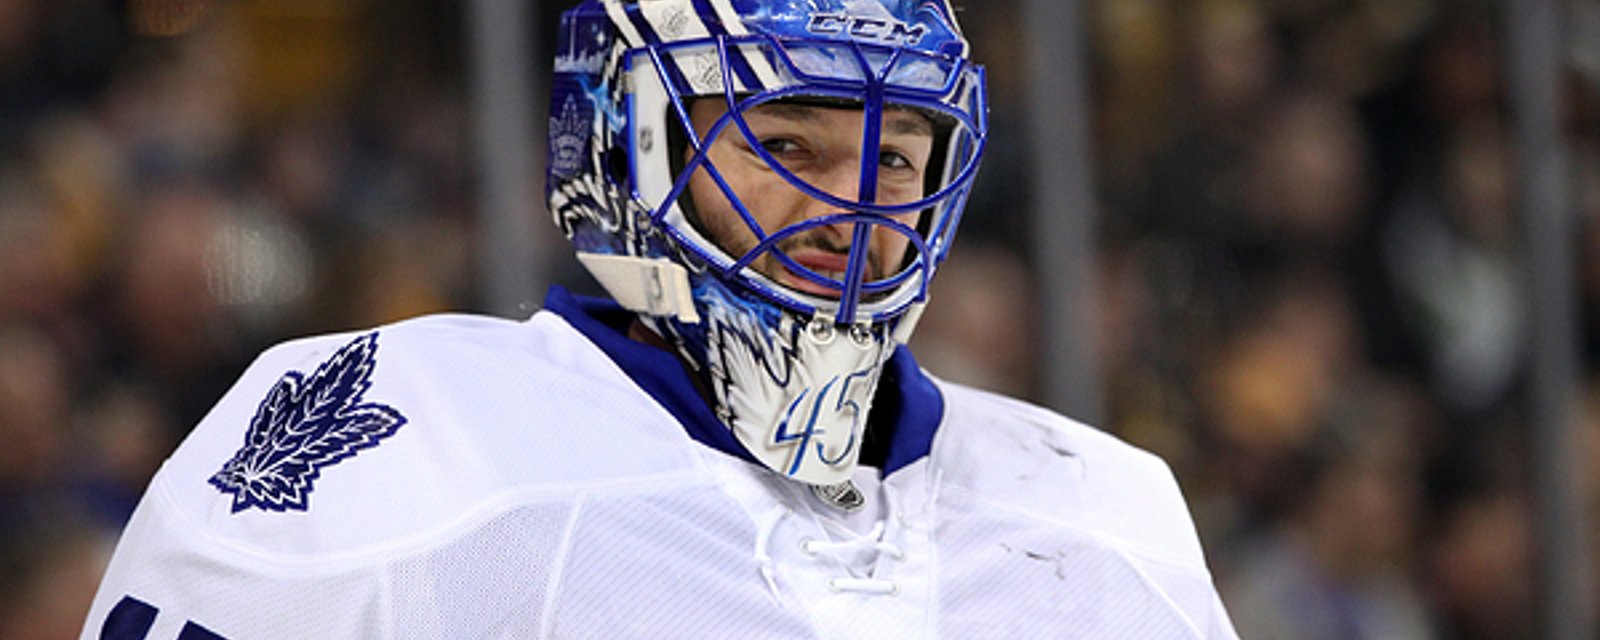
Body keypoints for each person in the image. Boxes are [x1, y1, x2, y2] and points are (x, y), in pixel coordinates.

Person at [82, 1, 1238, 637]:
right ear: (629, 146)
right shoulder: (400, 447)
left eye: (894, 156)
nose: (850, 203)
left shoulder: (1102, 513)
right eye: (787, 146)